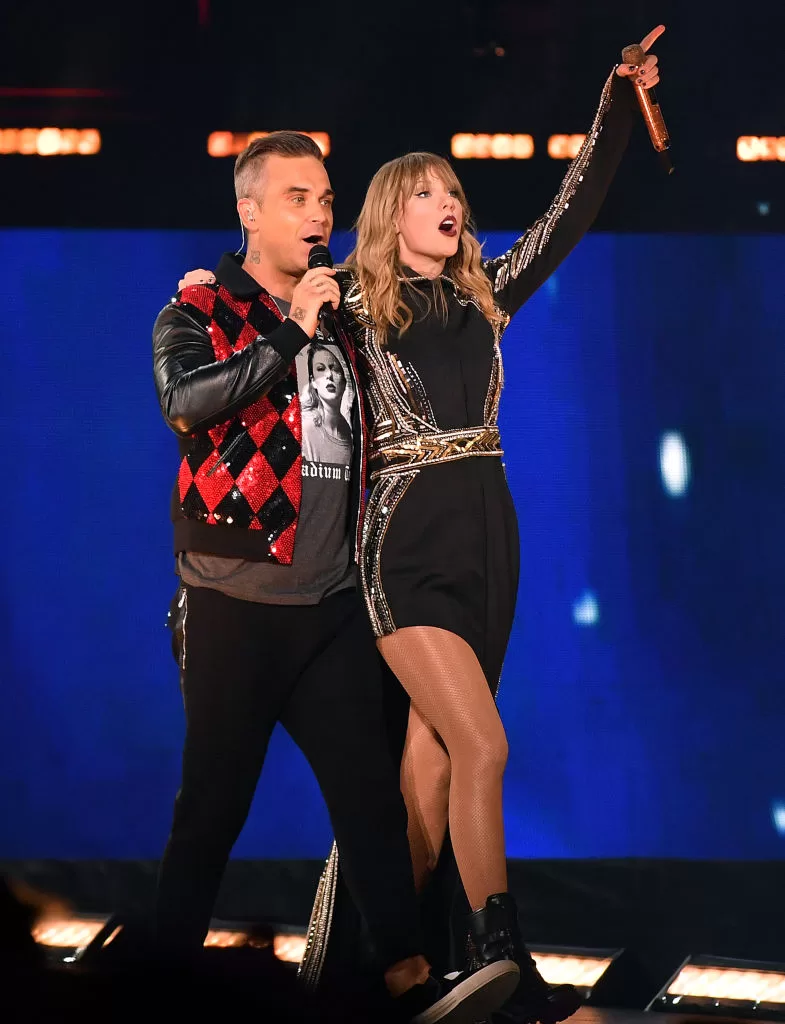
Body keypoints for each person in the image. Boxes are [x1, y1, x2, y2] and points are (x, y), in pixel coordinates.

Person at [297, 27, 666, 1024]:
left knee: (430, 767)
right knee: (483, 746)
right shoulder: (356, 311)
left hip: (485, 541)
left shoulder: (485, 296)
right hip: (404, 547)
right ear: (389, 213)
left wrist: (611, 105)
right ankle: (501, 954)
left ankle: (379, 967)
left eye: (452, 189)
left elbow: (572, 207)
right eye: (424, 191)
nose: (447, 200)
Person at [151, 130, 518, 1024]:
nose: (318, 217)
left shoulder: (352, 310)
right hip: (236, 598)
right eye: (296, 200)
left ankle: (401, 976)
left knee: (370, 804)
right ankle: (154, 985)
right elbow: (186, 404)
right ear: (249, 211)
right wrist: (288, 328)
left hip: (330, 600)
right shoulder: (198, 311)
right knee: (211, 810)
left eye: (324, 200)